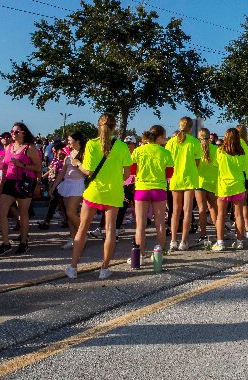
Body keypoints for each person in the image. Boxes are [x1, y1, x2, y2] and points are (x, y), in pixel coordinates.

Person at [66, 113, 132, 279]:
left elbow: (89, 172)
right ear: (114, 126)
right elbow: (126, 175)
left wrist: (77, 163)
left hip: (94, 191)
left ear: (98, 125)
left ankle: (73, 267)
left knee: (82, 228)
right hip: (114, 192)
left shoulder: (91, 144)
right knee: (110, 230)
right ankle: (104, 268)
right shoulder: (122, 146)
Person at [0, 122, 42, 256]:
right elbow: (4, 166)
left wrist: (22, 164)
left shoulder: (30, 148)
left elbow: (38, 168)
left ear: (23, 133)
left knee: (23, 213)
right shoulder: (9, 147)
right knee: (2, 212)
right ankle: (5, 243)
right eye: (12, 131)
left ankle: (24, 242)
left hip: (24, 183)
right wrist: (1, 182)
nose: (13, 134)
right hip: (9, 182)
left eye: (16, 131)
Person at [130, 125, 172, 264]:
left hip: (142, 189)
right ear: (159, 137)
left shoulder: (138, 150)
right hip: (159, 189)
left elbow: (132, 171)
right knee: (160, 224)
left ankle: (139, 256)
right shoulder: (165, 153)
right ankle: (158, 255)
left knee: (140, 225)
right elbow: (169, 174)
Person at [166, 117, 202, 252]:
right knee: (187, 211)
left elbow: (168, 162)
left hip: (175, 178)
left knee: (175, 211)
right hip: (190, 178)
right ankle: (184, 241)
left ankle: (173, 240)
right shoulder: (194, 142)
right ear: (191, 128)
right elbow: (197, 161)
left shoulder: (170, 142)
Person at [46, 132, 87, 248]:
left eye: (70, 140)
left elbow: (88, 171)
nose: (68, 142)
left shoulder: (84, 154)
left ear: (77, 141)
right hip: (67, 184)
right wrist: (53, 186)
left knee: (70, 212)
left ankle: (82, 234)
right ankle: (73, 238)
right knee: (68, 215)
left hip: (78, 184)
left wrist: (78, 163)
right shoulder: (67, 155)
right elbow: (62, 173)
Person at [213, 128, 248, 250]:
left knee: (221, 215)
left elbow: (215, 165)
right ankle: (240, 241)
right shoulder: (242, 152)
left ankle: (220, 241)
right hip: (238, 185)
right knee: (238, 215)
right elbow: (245, 168)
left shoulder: (220, 151)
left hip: (224, 186)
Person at [196, 128, 218, 244]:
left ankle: (203, 234)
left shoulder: (197, 148)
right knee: (213, 208)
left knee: (201, 209)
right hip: (213, 181)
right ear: (210, 137)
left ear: (199, 137)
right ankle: (218, 233)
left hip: (200, 181)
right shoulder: (216, 149)